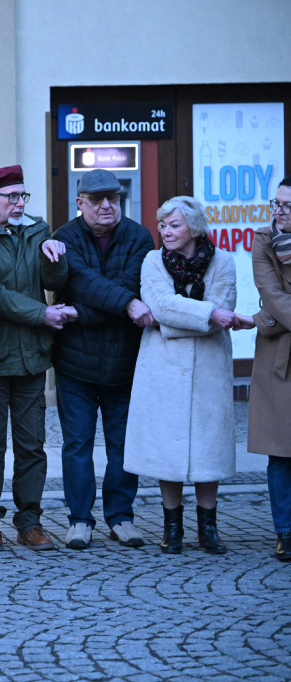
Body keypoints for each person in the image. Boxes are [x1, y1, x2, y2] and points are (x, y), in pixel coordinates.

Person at [125, 196, 253, 555]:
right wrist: (207, 315)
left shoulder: (223, 261)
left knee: (206, 447)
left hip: (208, 366)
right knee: (168, 446)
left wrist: (188, 319)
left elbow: (219, 313)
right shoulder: (153, 261)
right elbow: (161, 303)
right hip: (161, 368)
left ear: (194, 228)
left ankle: (208, 528)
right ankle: (172, 526)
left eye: (174, 225)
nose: (165, 231)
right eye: (162, 225)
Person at [0, 165, 70, 552]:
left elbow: (53, 284)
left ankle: (31, 522)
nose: (20, 203)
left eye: (24, 196)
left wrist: (56, 258)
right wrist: (41, 314)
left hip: (31, 358)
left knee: (32, 446)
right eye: (13, 196)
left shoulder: (37, 230)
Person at [52, 169, 155, 550]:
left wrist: (87, 310)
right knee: (77, 444)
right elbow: (79, 282)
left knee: (123, 445)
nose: (107, 205)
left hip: (124, 362)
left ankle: (121, 516)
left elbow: (131, 285)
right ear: (80, 204)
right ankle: (80, 519)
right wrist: (126, 305)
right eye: (97, 200)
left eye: (113, 197)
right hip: (75, 364)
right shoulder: (64, 238)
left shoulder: (140, 236)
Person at [248, 176, 291, 562]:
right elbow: (273, 296)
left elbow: (271, 311)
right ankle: (286, 532)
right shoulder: (263, 240)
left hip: (278, 334)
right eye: (276, 203)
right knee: (281, 451)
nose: (279, 212)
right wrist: (268, 318)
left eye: (288, 206)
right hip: (280, 358)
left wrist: (266, 318)